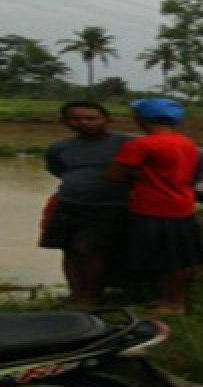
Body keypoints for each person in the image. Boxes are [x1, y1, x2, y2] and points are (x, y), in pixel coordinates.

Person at [105, 98, 203, 317]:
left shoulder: (140, 145)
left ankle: (172, 302)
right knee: (179, 256)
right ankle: (172, 298)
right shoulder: (185, 143)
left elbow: (113, 176)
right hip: (181, 204)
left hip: (153, 206)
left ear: (140, 118)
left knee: (164, 257)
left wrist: (138, 174)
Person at [40, 101, 134, 308]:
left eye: (91, 118)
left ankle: (91, 297)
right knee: (68, 249)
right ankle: (75, 294)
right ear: (65, 122)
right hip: (69, 203)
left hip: (109, 206)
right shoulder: (60, 148)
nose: (83, 123)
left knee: (89, 249)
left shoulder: (129, 143)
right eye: (75, 118)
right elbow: (57, 170)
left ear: (107, 120)